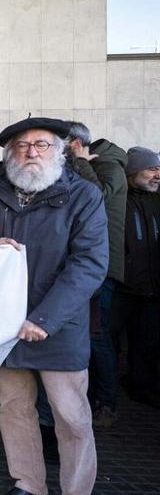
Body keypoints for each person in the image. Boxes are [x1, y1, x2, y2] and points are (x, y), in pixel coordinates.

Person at [0, 117, 106, 495]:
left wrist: (44, 319)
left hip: (58, 325)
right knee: (14, 409)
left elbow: (89, 264)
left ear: (60, 152)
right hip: (3, 323)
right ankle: (28, 483)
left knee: (71, 418)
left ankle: (76, 489)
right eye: (22, 146)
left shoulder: (83, 195)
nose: (31, 153)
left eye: (41, 145)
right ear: (9, 154)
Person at [64, 121, 127, 426]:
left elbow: (97, 194)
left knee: (97, 334)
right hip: (80, 264)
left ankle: (106, 402)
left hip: (100, 266)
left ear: (75, 143)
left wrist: (78, 163)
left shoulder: (109, 166)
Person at [117, 147, 160, 409]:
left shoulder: (158, 199)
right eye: (152, 169)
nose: (157, 176)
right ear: (134, 172)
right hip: (124, 286)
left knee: (149, 342)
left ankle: (142, 387)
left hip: (153, 288)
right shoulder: (119, 200)